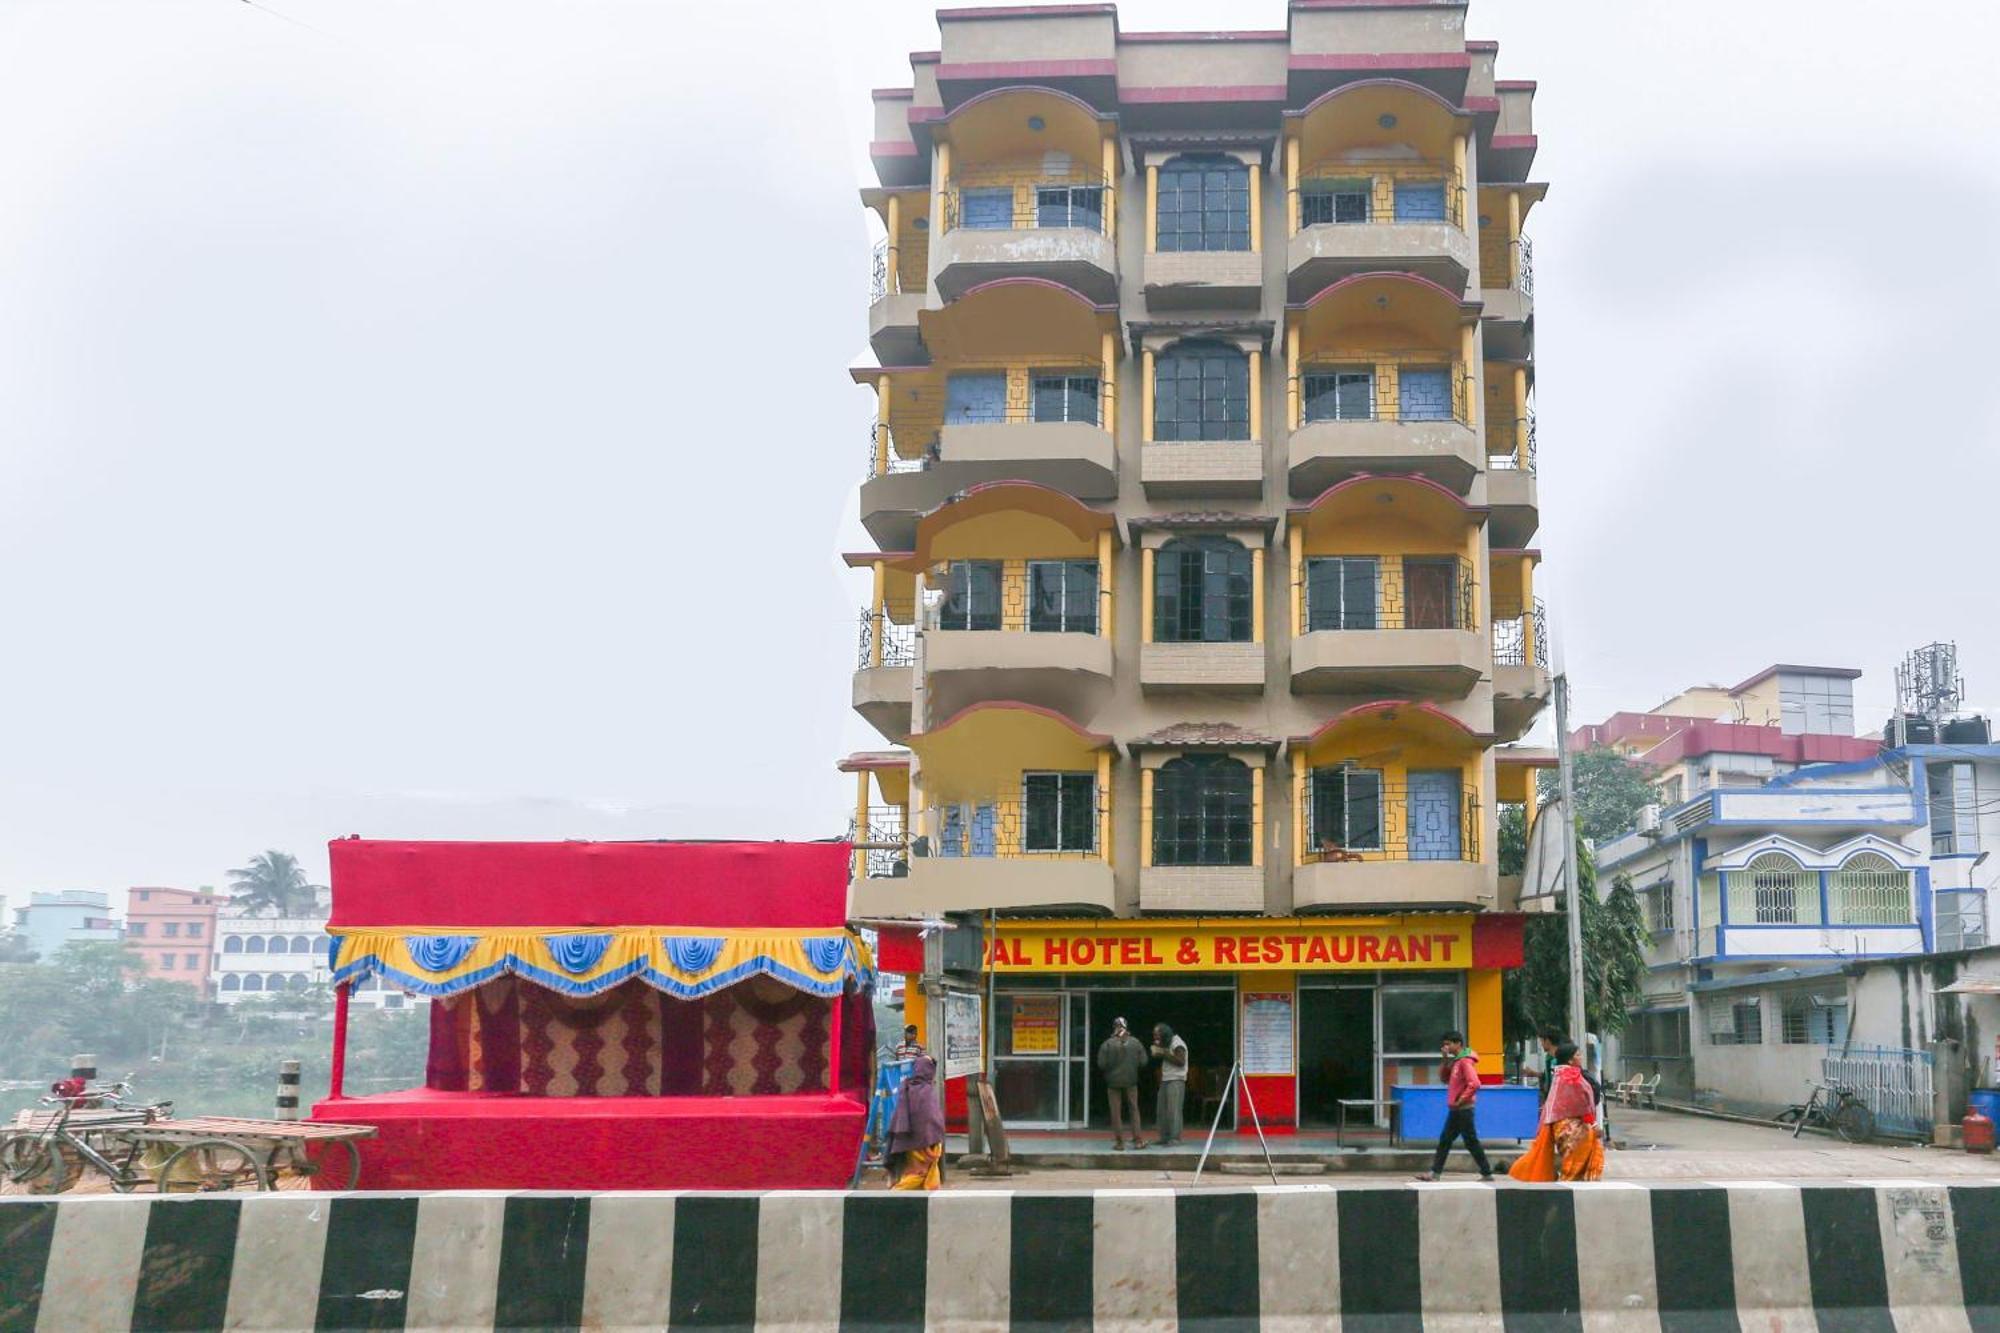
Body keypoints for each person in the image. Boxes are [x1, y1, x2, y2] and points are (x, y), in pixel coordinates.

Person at [1509, 1041, 1605, 1182]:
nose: (1581, 1057)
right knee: (1576, 1163)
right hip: (1572, 1128)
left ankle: (1568, 1186)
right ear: (1570, 1060)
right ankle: (1569, 1187)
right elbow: (1581, 1104)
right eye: (1578, 1054)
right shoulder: (1572, 1077)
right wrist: (1594, 1125)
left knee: (1571, 1162)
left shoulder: (1559, 1075)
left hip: (1560, 1128)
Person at [1416, 1030, 1492, 1181]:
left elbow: (1475, 1083)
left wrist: (1461, 1100)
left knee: (1469, 1141)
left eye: (1448, 1044)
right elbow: (1444, 1078)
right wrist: (1444, 1059)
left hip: (1463, 1109)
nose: (1446, 1047)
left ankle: (1486, 1172)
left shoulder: (1464, 1061)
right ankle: (1435, 1173)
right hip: (1456, 1109)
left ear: (1458, 1043)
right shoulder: (1456, 1061)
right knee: (1446, 1139)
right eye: (1444, 1045)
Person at [886, 1053, 946, 1189]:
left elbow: (899, 1116)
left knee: (919, 1171)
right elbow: (931, 1118)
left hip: (908, 1140)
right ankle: (895, 1196)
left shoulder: (906, 1087)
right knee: (920, 1173)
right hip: (924, 1141)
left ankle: (927, 1201)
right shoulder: (925, 1090)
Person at [1096, 1016, 1148, 1149]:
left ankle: (1120, 1143)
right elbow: (1144, 1062)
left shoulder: (1107, 1044)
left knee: (1115, 1112)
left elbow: (1101, 1064)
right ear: (1126, 1027)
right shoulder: (1136, 1042)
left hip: (1113, 1083)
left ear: (1114, 1027)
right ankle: (1138, 1140)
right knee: (1134, 1109)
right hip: (1131, 1082)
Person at [1151, 1023, 1189, 1146]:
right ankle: (1164, 1136)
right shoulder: (1167, 1044)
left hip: (1176, 1080)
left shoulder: (1178, 1044)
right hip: (1166, 1079)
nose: (1156, 1037)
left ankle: (1175, 1137)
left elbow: (1181, 1061)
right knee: (1161, 1109)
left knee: (1174, 1110)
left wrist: (1163, 1053)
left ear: (1164, 1034)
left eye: (1158, 1035)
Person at [1536, 1028, 1565, 1105]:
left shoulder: (1559, 1061)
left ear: (1548, 1041)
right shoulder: (1549, 1058)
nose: (1541, 1044)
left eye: (1542, 1041)